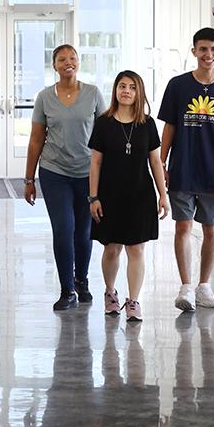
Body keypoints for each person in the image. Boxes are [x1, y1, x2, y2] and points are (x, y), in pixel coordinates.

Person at [157, 27, 214, 312]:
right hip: (183, 168)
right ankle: (185, 286)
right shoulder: (177, 85)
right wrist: (163, 163)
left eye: (213, 49)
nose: (208, 54)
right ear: (193, 51)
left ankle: (204, 285)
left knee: (212, 231)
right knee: (183, 227)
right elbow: (169, 126)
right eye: (203, 49)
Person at [23, 44, 107, 311]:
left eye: (72, 58)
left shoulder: (93, 94)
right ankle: (67, 290)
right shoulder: (45, 97)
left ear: (78, 63)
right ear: (55, 66)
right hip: (54, 171)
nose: (68, 62)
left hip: (87, 173)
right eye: (62, 59)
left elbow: (106, 136)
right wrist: (28, 180)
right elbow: (36, 140)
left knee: (83, 231)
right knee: (63, 228)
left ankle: (81, 280)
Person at [88, 71, 169, 322]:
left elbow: (155, 162)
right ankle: (110, 293)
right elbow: (96, 162)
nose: (126, 91)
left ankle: (133, 301)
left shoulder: (147, 124)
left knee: (137, 250)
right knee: (112, 249)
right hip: (109, 195)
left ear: (139, 93)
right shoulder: (103, 122)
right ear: (115, 91)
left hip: (140, 195)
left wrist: (162, 196)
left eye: (132, 87)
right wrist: (93, 197)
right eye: (122, 86)